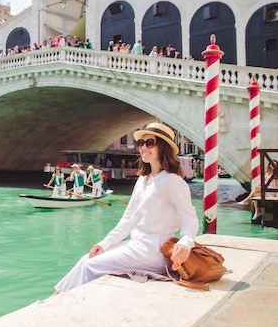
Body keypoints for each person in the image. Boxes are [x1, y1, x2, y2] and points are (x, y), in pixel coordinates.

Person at [52, 122, 198, 295]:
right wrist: (105, 243)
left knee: (90, 265)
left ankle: (56, 302)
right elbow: (128, 219)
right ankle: (55, 298)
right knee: (88, 258)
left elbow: (189, 218)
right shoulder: (142, 180)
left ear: (163, 147)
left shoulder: (174, 182)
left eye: (149, 143)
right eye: (140, 143)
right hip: (136, 246)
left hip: (155, 251)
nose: (143, 147)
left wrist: (186, 242)